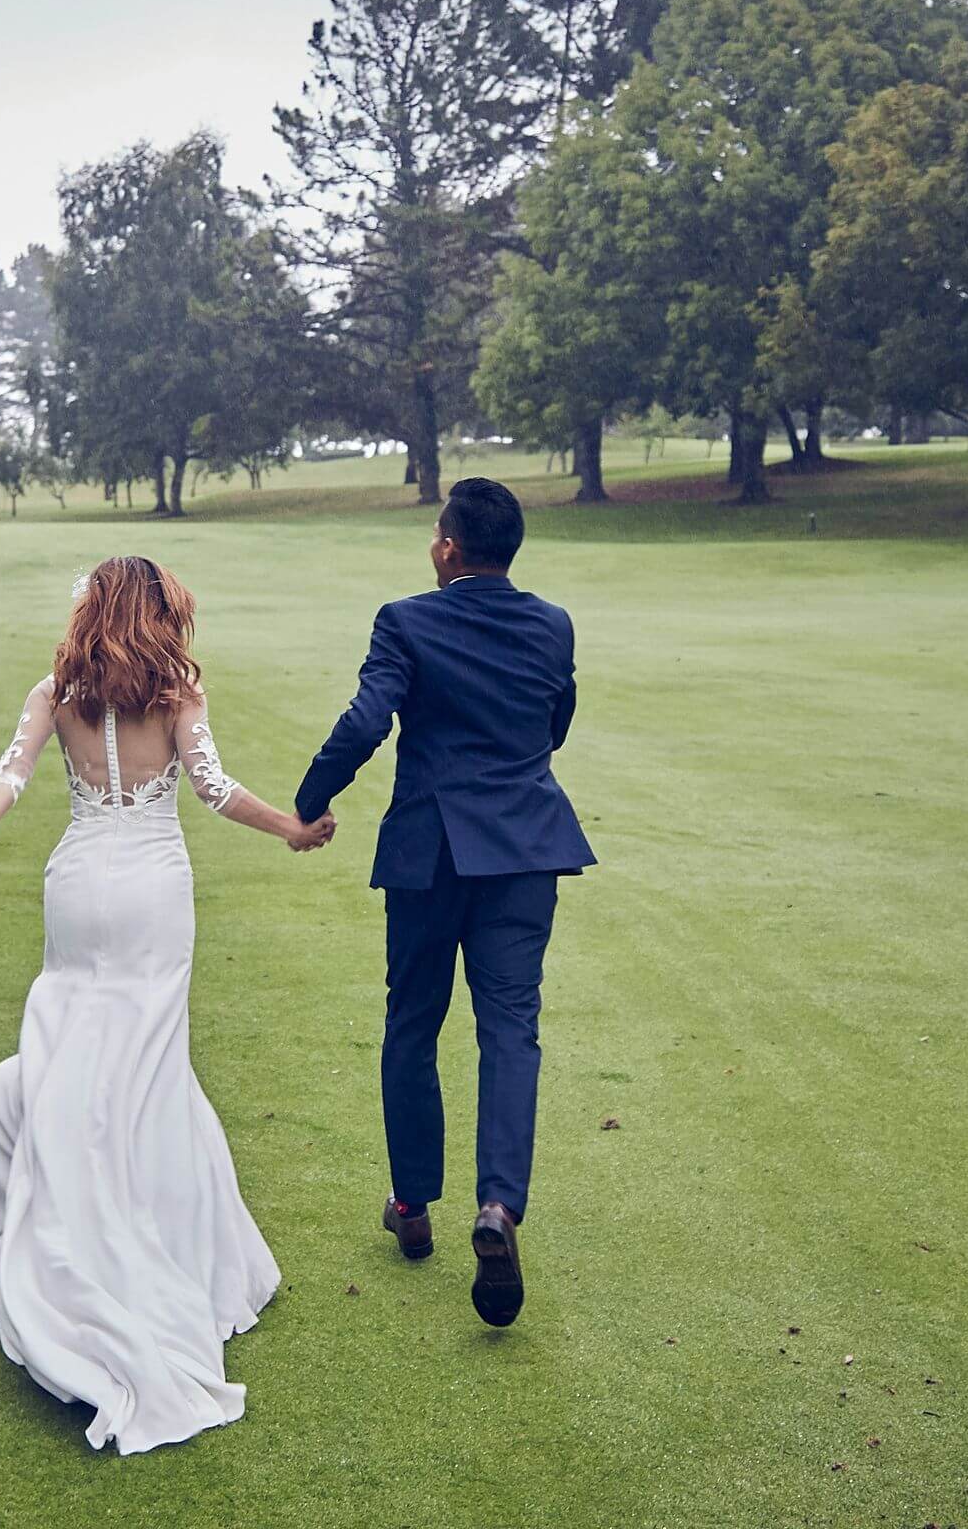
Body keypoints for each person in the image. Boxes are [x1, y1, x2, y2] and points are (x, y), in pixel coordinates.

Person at [0, 555, 333, 1455]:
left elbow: (11, 773)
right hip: (153, 886)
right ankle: (138, 1237)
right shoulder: (177, 692)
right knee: (147, 1067)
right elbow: (215, 790)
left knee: (73, 1044)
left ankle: (57, 1197)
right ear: (160, 613)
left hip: (76, 881)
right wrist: (295, 829)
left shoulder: (56, 691)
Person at [295, 477, 595, 1327]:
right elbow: (554, 720)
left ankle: (412, 1205)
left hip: (430, 851)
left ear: (449, 548)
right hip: (526, 849)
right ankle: (498, 1208)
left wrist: (310, 802)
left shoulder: (407, 619)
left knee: (413, 1024)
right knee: (511, 1030)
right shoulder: (551, 623)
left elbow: (365, 723)